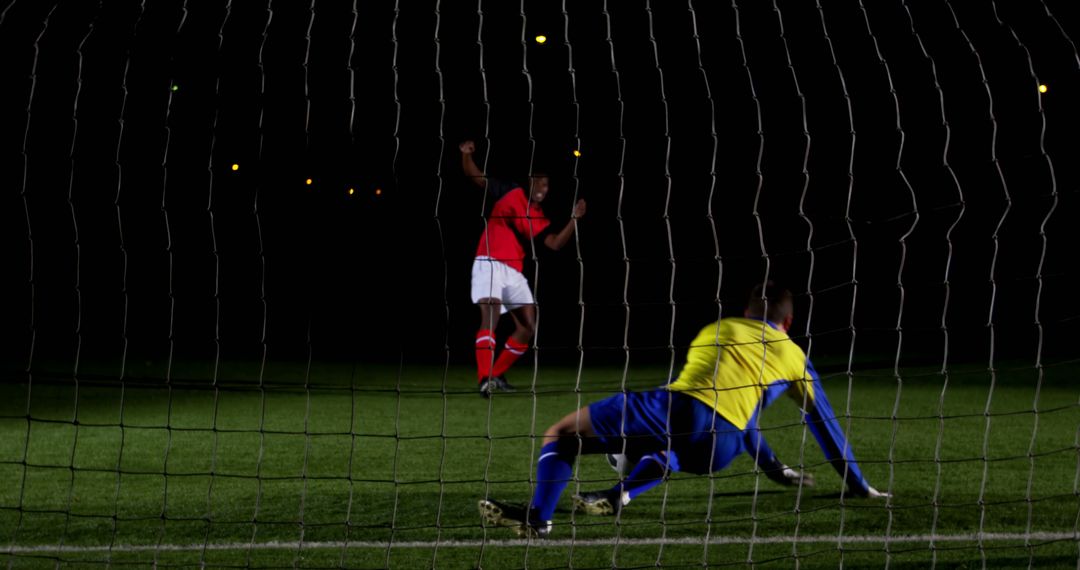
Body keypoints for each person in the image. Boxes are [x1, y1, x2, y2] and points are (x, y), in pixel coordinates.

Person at [478, 282, 889, 538]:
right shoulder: (795, 357)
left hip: (679, 410)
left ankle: (539, 519)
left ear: (746, 313)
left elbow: (701, 399)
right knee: (672, 450)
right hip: (722, 447)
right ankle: (620, 495)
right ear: (789, 321)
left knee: (561, 434)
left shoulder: (719, 329)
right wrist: (856, 484)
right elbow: (822, 424)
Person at [460, 140, 586, 397]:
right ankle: (484, 378)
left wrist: (574, 219)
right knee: (491, 315)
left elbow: (553, 244)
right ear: (529, 181)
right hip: (489, 261)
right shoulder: (510, 191)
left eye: (546, 184)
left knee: (528, 327)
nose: (543, 187)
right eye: (539, 182)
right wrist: (466, 156)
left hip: (514, 271)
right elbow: (478, 178)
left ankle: (496, 374)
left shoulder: (537, 215)